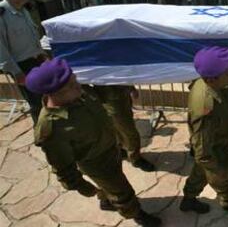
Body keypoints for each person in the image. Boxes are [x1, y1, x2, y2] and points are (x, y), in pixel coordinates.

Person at [26, 58, 161, 227]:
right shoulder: (51, 129)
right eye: (71, 85)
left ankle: (105, 200)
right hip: (97, 162)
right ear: (55, 93)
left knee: (111, 186)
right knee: (122, 192)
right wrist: (83, 187)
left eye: (74, 80)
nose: (78, 85)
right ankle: (136, 213)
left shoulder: (80, 93)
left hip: (110, 148)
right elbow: (62, 167)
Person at [180, 46, 228, 214]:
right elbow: (203, 151)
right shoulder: (206, 107)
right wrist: (217, 169)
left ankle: (188, 198)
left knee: (200, 172)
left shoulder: (208, 83)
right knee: (224, 179)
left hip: (219, 140)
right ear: (212, 80)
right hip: (212, 151)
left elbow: (226, 101)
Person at [0, 0, 47, 124]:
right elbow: (1, 49)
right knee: (37, 104)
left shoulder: (22, 10)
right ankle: (43, 136)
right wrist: (16, 72)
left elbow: (32, 36)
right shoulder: (2, 15)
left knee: (46, 98)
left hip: (37, 60)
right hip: (23, 66)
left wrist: (42, 54)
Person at [89, 85, 155, 171]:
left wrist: (131, 88)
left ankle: (122, 150)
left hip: (122, 96)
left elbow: (122, 74)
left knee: (121, 129)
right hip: (111, 102)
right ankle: (135, 159)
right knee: (130, 133)